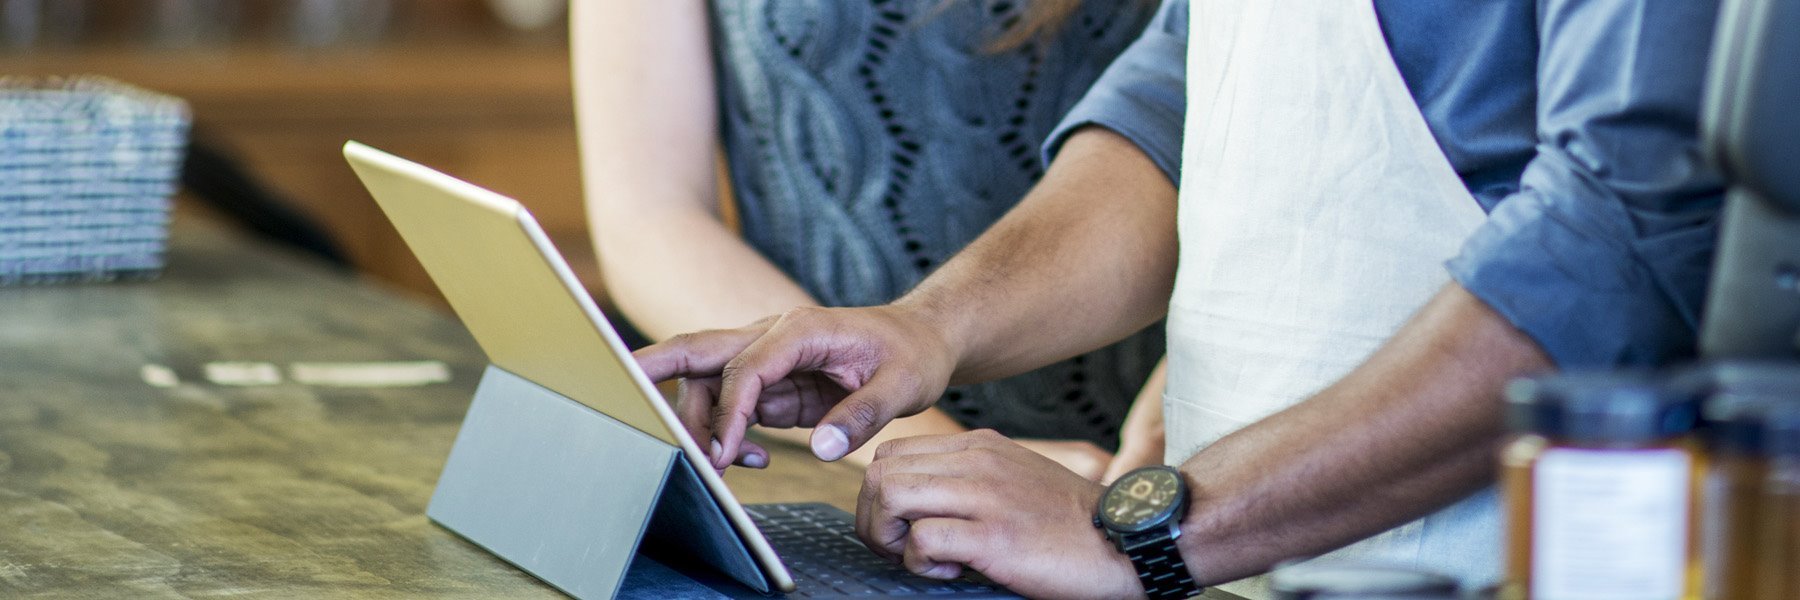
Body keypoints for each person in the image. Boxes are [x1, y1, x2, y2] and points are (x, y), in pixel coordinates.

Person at [634, 0, 1728, 598]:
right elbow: (1169, 127)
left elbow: (1625, 245)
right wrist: (930, 327)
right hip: (1236, 563)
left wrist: (1146, 534)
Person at [570, 1, 1169, 480]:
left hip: (1140, 461)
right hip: (829, 461)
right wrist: (920, 450)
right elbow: (649, 216)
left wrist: (1197, 391)